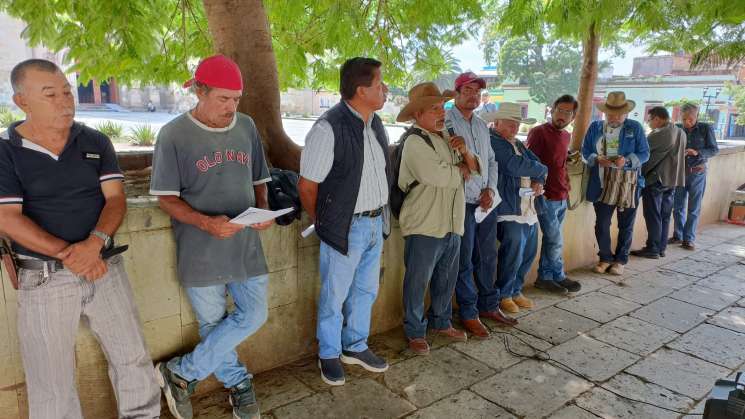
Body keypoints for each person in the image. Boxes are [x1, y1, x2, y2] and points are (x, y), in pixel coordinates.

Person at [0, 59, 160, 418]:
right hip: (43, 277)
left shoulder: (94, 141)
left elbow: (116, 199)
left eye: (67, 92)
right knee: (51, 382)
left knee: (132, 359)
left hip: (105, 266)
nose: (65, 101)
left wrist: (94, 245)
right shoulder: (5, 151)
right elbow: (7, 218)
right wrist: (71, 255)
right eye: (51, 94)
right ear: (22, 101)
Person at [150, 54, 273, 419]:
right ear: (199, 92)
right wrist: (206, 223)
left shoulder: (246, 126)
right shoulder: (173, 134)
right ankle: (238, 384)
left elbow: (259, 179)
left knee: (255, 314)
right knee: (213, 325)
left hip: (246, 245)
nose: (232, 107)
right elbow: (166, 199)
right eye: (223, 99)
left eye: (236, 99)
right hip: (200, 248)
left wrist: (263, 211)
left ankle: (181, 372)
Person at [298, 57, 391, 386]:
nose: (385, 90)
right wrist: (325, 222)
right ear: (361, 90)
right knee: (334, 296)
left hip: (375, 223)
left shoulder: (375, 122)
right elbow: (307, 186)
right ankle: (329, 353)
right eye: (380, 84)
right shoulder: (328, 128)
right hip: (345, 227)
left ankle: (356, 346)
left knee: (366, 291)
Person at [396, 82, 481, 355]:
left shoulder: (447, 136)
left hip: (452, 221)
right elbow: (438, 176)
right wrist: (461, 169)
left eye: (441, 107)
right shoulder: (414, 141)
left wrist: (466, 153)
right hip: (425, 223)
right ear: (417, 114)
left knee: (447, 277)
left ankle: (441, 322)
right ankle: (415, 331)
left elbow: (475, 169)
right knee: (417, 280)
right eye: (433, 108)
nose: (441, 113)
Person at [446, 71, 517, 339]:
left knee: (488, 256)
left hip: (486, 202)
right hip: (461, 202)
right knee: (464, 259)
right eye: (468, 91)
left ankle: (489, 305)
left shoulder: (479, 125)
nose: (473, 96)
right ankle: (468, 312)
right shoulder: (446, 123)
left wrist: (490, 188)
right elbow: (446, 162)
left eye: (477, 92)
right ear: (456, 94)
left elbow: (491, 162)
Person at [484, 103, 547, 313]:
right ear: (497, 122)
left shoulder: (518, 144)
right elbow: (513, 166)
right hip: (508, 208)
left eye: (516, 124)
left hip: (528, 207)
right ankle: (504, 293)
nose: (514, 127)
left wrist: (539, 176)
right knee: (514, 249)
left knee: (528, 250)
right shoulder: (494, 141)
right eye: (510, 123)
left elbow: (536, 163)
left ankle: (515, 289)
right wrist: (541, 170)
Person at [581, 91, 649, 276]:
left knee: (625, 224)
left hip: (627, 184)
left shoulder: (634, 128)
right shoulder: (595, 127)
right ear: (605, 113)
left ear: (626, 113)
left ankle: (620, 260)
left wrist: (626, 161)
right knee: (601, 224)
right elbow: (585, 151)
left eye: (619, 114)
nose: (615, 118)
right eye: (611, 114)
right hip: (601, 183)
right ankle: (605, 258)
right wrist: (596, 158)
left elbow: (644, 154)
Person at [527, 95, 582, 294]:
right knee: (555, 239)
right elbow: (530, 163)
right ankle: (556, 275)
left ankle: (545, 277)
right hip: (545, 196)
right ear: (552, 110)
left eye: (568, 112)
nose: (562, 115)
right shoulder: (538, 132)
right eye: (560, 110)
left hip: (561, 195)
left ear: (573, 117)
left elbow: (559, 163)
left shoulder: (566, 136)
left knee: (552, 240)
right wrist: (539, 188)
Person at [631, 107, 686, 259]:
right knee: (664, 215)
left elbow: (644, 154)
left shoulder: (661, 133)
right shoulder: (680, 131)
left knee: (653, 215)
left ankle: (653, 248)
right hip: (672, 180)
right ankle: (661, 248)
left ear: (657, 119)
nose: (648, 123)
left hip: (657, 179)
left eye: (649, 120)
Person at [670, 103, 719, 250]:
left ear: (696, 116)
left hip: (697, 172)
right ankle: (678, 235)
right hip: (680, 172)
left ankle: (689, 239)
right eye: (684, 119)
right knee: (677, 206)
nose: (687, 122)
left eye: (690, 119)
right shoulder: (677, 129)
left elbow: (714, 150)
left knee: (693, 208)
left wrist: (697, 152)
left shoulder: (705, 128)